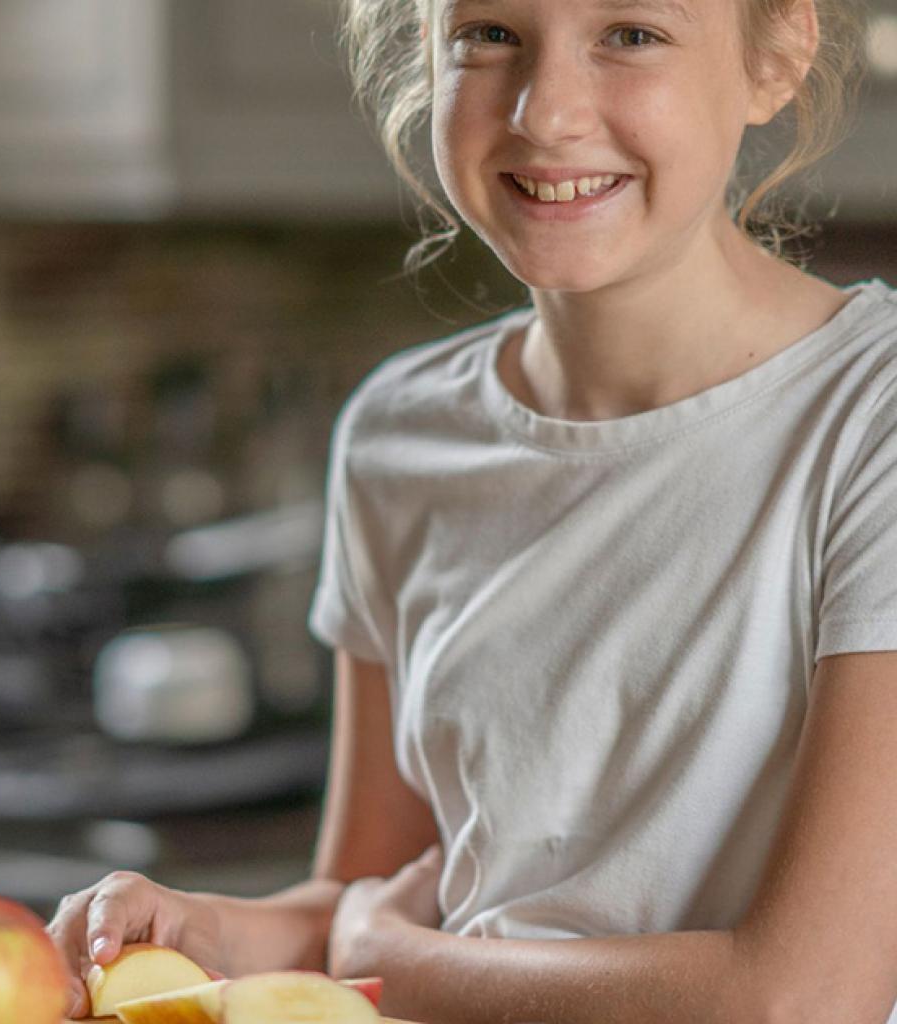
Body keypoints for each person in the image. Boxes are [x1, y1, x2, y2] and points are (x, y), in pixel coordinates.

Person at [48, 1, 897, 1021]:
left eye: (630, 34)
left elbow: (801, 998)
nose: (546, 113)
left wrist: (390, 958)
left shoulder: (868, 417)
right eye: (489, 34)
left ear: (777, 55)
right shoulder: (396, 437)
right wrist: (209, 926)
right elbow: (370, 898)